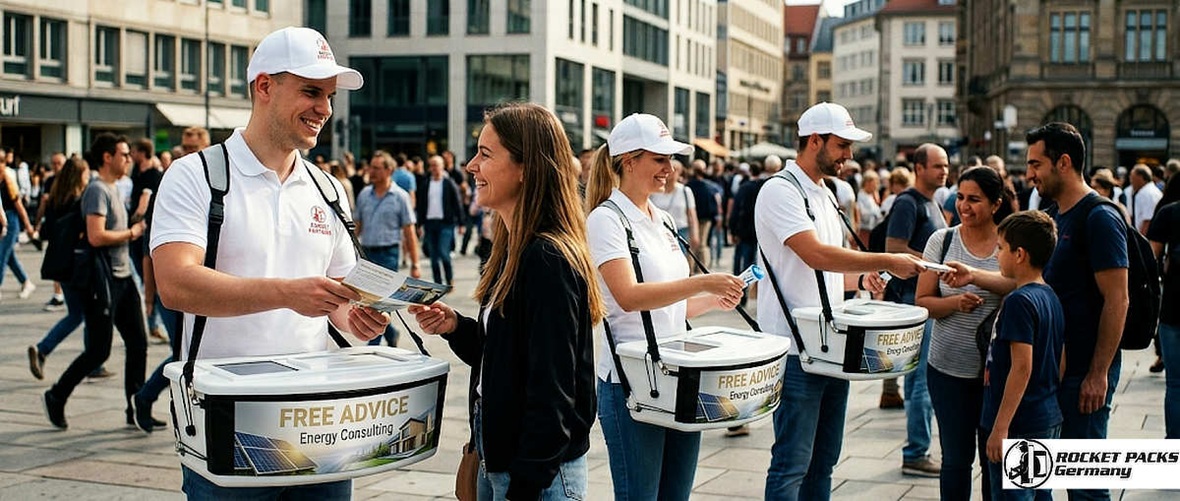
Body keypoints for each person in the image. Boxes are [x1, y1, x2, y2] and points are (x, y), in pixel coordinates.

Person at [148, 27, 387, 498]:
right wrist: (287, 293)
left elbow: (339, 292)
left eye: (330, 95)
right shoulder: (196, 175)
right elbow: (176, 284)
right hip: (227, 421)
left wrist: (357, 317)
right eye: (311, 91)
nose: (326, 109)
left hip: (318, 426)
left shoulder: (328, 187)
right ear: (264, 87)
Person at [410, 102, 604, 500]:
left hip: (535, 475)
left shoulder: (546, 258)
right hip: (500, 458)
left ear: (525, 168)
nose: (470, 166)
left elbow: (553, 394)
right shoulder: (513, 250)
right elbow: (506, 358)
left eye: (485, 154)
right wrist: (456, 328)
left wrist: (524, 487)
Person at [946, 123, 1128, 501]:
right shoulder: (1052, 215)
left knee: (1086, 486)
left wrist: (1098, 373)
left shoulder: (1099, 218)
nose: (1028, 174)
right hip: (1053, 374)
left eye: (1035, 163)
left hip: (1083, 374)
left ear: (1063, 163)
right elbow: (1026, 282)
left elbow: (1118, 300)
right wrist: (975, 276)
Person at [759, 102, 923, 501]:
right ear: (814, 140)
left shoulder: (823, 192)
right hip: (797, 349)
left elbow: (822, 270)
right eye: (841, 145)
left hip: (830, 344)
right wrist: (885, 259)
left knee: (825, 460)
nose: (849, 156)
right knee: (792, 463)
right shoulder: (781, 189)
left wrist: (859, 277)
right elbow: (813, 254)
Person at [583, 113, 744, 500]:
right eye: (660, 159)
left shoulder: (665, 218)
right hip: (631, 381)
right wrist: (703, 281)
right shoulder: (606, 218)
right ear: (629, 161)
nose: (670, 169)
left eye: (670, 159)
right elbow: (629, 296)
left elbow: (672, 308)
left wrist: (711, 299)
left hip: (678, 374)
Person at [918, 166, 1014, 500]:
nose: (964, 206)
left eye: (974, 199)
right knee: (956, 462)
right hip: (947, 370)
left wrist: (974, 276)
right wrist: (955, 303)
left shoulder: (1009, 242)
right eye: (960, 197)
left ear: (996, 203)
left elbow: (1023, 284)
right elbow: (924, 302)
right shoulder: (942, 241)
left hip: (997, 374)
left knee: (995, 461)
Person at [42, 133, 149, 431]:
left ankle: (135, 407)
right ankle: (56, 395)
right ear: (107, 157)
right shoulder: (97, 190)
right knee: (99, 351)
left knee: (138, 343)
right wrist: (131, 233)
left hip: (123, 278)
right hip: (102, 282)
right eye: (124, 154)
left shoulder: (114, 188)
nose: (128, 159)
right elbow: (96, 235)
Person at [979, 210, 1065, 501]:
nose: (996, 254)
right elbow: (1060, 359)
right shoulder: (1050, 295)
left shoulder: (1019, 301)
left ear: (1020, 255)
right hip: (1045, 415)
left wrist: (1000, 426)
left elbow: (1022, 367)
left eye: (1001, 248)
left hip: (1019, 424)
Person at [885, 143, 949, 478]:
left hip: (923, 299)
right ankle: (916, 451)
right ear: (919, 167)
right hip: (914, 301)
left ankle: (916, 449)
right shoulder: (908, 203)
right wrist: (932, 267)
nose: (944, 171)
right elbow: (893, 249)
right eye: (937, 166)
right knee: (922, 380)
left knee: (917, 381)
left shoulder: (933, 203)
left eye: (946, 166)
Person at [355, 151, 421, 346]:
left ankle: (372, 346)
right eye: (370, 167)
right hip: (367, 254)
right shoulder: (364, 194)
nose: (371, 172)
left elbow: (409, 231)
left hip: (389, 254)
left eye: (376, 168)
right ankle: (390, 333)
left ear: (389, 170)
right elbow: (357, 226)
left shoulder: (400, 196)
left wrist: (415, 263)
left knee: (379, 303)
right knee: (369, 303)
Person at [1147, 176, 1180, 437]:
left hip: (1173, 308)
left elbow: (1150, 259)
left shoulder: (1170, 213)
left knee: (1176, 385)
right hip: (1171, 311)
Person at [128, 138, 168, 344]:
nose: (130, 155)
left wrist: (134, 221)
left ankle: (153, 321)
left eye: (133, 151)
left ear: (142, 152)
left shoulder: (152, 175)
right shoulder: (138, 173)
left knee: (148, 277)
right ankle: (153, 321)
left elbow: (143, 203)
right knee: (145, 278)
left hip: (146, 231)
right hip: (142, 232)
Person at [415, 155, 464, 285]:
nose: (434, 168)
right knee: (433, 258)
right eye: (432, 165)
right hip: (430, 224)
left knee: (444, 253)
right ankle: (438, 284)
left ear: (442, 166)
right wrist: (419, 225)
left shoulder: (449, 183)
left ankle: (449, 280)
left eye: (437, 165)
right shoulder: (426, 184)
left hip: (445, 224)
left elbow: (456, 204)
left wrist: (461, 223)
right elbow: (421, 206)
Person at [0, 146, 37, 301]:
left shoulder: (8, 181)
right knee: (9, 257)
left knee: (2, 256)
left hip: (11, 221)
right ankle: (26, 282)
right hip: (2, 221)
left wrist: (28, 226)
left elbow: (19, 205)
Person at [649, 158, 698, 254]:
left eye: (675, 169)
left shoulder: (685, 191)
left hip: (681, 231)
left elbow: (691, 214)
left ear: (680, 173)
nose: (670, 172)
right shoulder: (655, 191)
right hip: (659, 231)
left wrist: (694, 234)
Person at [1129, 164, 1163, 236]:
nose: (1131, 181)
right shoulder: (1151, 191)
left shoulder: (1146, 193)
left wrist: (1141, 242)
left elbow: (1147, 220)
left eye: (1132, 178)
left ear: (1140, 177)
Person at [856, 169, 883, 245]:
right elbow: (862, 214)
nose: (876, 186)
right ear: (867, 182)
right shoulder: (861, 196)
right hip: (865, 232)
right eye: (875, 183)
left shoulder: (870, 196)